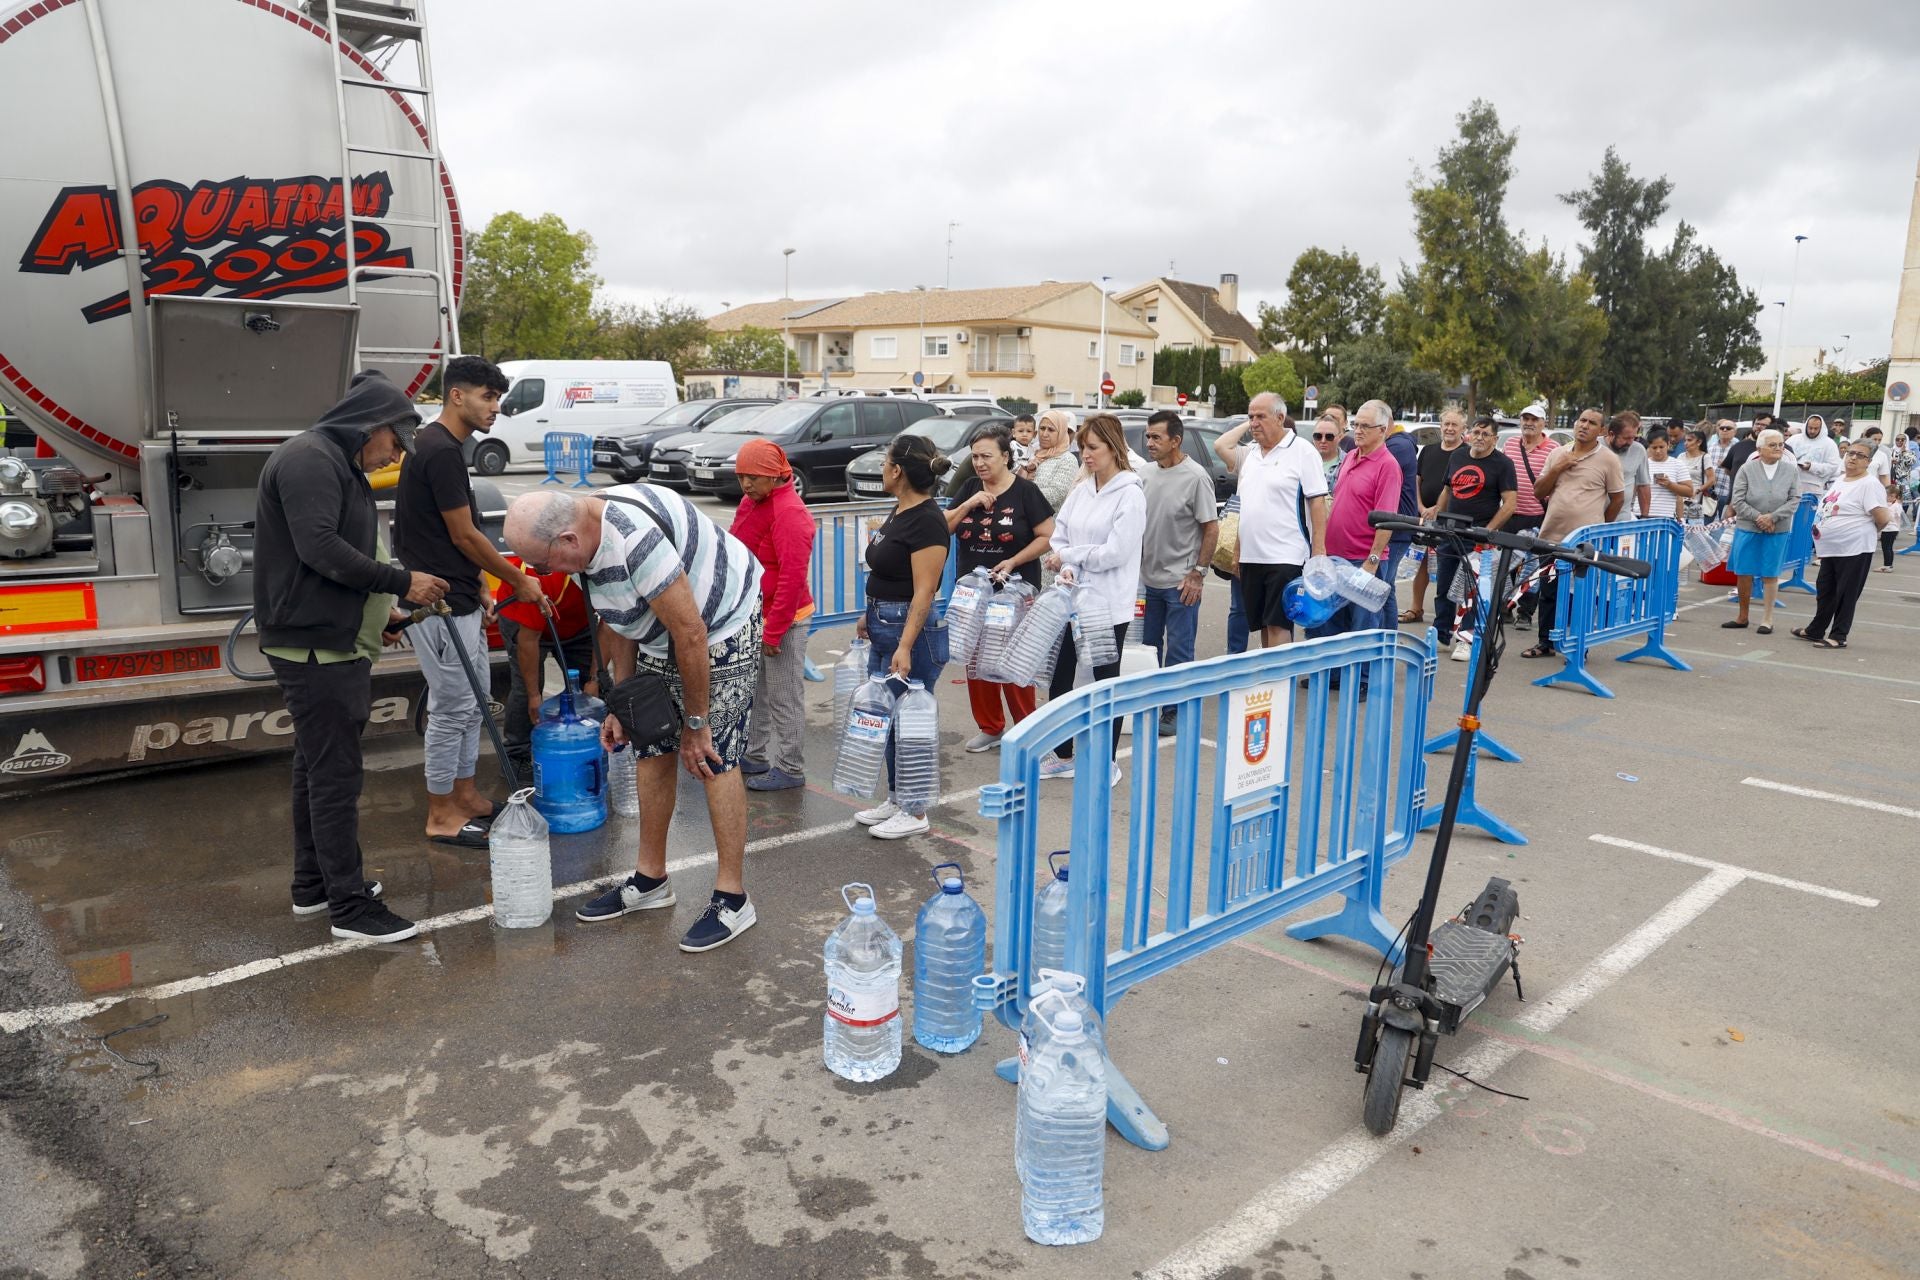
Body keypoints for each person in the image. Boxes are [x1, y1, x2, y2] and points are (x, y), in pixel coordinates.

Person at [503, 484, 764, 951]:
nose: (541, 574)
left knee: (713, 757)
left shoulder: (633, 542)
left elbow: (691, 633)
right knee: (650, 745)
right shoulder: (586, 539)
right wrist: (623, 706)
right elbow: (620, 620)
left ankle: (733, 898)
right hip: (668, 632)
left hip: (720, 623)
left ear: (567, 541)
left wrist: (697, 724)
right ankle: (651, 881)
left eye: (541, 564)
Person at [254, 370, 447, 943]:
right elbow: (320, 549)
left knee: (315, 768)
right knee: (336, 776)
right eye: (394, 441)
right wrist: (402, 582)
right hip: (315, 645)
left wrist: (380, 612)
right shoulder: (311, 458)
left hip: (329, 637)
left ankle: (314, 887)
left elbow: (344, 549)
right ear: (371, 426)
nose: (394, 453)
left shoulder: (334, 460)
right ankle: (350, 908)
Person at [393, 356, 547, 848]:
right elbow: (463, 535)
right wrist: (517, 582)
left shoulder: (447, 448)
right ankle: (441, 813)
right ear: (457, 395)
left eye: (497, 398)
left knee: (476, 701)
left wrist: (480, 583)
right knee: (453, 706)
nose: (495, 408)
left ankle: (465, 796)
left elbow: (458, 533)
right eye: (487, 396)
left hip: (458, 596)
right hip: (434, 603)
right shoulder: (437, 450)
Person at [851, 435, 953, 838]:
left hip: (909, 631)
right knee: (887, 718)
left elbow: (924, 590)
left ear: (897, 472)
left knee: (911, 722)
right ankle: (897, 797)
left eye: (885, 464)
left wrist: (906, 646)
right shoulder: (900, 510)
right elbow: (887, 571)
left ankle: (915, 811)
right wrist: (868, 612)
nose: (881, 470)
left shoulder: (927, 520)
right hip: (883, 623)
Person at [1040, 414, 1144, 781]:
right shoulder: (1082, 488)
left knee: (1104, 681)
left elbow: (1115, 552)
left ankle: (1107, 761)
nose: (1086, 454)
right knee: (1061, 676)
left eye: (1093, 447)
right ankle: (1065, 755)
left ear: (1114, 448)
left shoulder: (1131, 493)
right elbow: (1060, 533)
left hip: (1107, 605)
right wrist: (1066, 563)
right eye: (1082, 447)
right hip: (1074, 598)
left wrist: (1071, 556)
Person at [947, 425, 1054, 752]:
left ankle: (1027, 728)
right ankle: (990, 727)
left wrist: (1012, 562)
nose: (979, 463)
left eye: (987, 456)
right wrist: (968, 505)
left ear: (1006, 457)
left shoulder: (1025, 492)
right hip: (973, 590)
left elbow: (1047, 536)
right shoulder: (968, 487)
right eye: (975, 456)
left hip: (1015, 591)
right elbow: (943, 526)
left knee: (1014, 659)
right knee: (975, 656)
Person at [731, 440, 815, 791]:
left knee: (784, 695)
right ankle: (755, 754)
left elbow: (793, 579)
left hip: (785, 618)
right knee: (756, 691)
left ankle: (791, 767)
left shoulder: (790, 513)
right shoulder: (753, 501)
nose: (746, 485)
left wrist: (774, 632)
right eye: (741, 477)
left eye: (754, 477)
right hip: (756, 613)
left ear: (774, 475)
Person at [1215, 392, 1328, 648]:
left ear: (1280, 418)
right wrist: (1237, 551)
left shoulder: (1303, 451)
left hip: (1286, 555)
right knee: (1264, 626)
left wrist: (1319, 552)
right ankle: (1269, 682)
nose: (1254, 422)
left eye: (1260, 417)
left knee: (1279, 624)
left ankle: (1280, 684)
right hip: (1252, 556)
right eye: (1250, 416)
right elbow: (1246, 507)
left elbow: (1317, 503)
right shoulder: (1252, 455)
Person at [1307, 400, 1405, 672]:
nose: (1358, 431)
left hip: (1363, 560)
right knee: (1332, 620)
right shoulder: (1351, 455)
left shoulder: (1388, 466)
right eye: (1356, 424)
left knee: (1363, 625)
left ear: (1383, 429)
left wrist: (1372, 562)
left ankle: (1361, 680)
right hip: (1336, 555)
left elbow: (1386, 519)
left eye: (1365, 426)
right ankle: (1335, 675)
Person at [1139, 410, 1220, 734]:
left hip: (1180, 581)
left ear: (1176, 440)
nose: (1150, 443)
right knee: (1148, 648)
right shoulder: (1144, 474)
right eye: (1148, 436)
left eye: (1156, 437)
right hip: (1147, 580)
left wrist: (1198, 573)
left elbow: (1211, 528)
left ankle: (1173, 710)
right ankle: (1150, 703)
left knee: (1180, 649)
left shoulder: (1196, 477)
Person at [1524, 408, 1624, 660]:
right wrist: (1557, 468)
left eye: (1592, 423)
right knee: (1549, 591)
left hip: (1584, 542)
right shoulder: (1557, 454)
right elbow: (1538, 492)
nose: (1584, 426)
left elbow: (1617, 498)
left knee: (1581, 593)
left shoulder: (1608, 459)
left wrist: (1599, 525)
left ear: (1601, 431)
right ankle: (1545, 642)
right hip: (1551, 536)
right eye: (1582, 421)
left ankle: (1579, 645)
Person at [494, 556, 597, 780]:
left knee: (594, 689)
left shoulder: (604, 571)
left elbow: (607, 628)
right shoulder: (538, 576)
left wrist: (595, 679)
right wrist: (534, 695)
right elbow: (528, 641)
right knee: (526, 690)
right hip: (524, 622)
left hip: (577, 625)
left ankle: (588, 744)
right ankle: (516, 755)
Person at [1429, 415, 1517, 657]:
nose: (1479, 437)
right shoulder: (1458, 456)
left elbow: (1510, 503)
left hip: (1478, 538)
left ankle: (1465, 639)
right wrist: (1438, 516)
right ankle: (1441, 633)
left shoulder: (1503, 464)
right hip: (1450, 533)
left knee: (1470, 591)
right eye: (1476, 432)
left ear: (1494, 439)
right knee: (1444, 587)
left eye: (1485, 434)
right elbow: (1447, 489)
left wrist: (1488, 531)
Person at [1793, 441, 1892, 647]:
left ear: (1869, 461)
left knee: (1846, 593)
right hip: (1831, 548)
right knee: (1825, 589)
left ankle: (1839, 636)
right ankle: (1816, 629)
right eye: (1850, 453)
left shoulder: (1869, 484)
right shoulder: (1841, 479)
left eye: (1860, 455)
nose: (1853, 458)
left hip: (1854, 547)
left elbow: (1882, 518)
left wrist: (1862, 531)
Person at [1723, 429, 1800, 635]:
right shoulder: (1747, 469)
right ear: (1760, 448)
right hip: (1748, 526)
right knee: (1744, 571)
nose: (1778, 449)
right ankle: (1743, 616)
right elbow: (1737, 499)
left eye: (1781, 445)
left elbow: (1794, 499)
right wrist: (1759, 517)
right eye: (1772, 445)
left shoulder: (1791, 470)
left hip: (1778, 528)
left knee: (1770, 572)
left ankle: (1767, 619)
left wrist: (1772, 517)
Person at [1402, 410, 1465, 625]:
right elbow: (1416, 481)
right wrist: (1420, 507)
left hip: (1450, 517)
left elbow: (1456, 488)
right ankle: (1416, 608)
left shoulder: (1465, 453)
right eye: (1446, 423)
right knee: (1421, 563)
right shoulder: (1428, 450)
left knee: (1450, 567)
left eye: (1454, 425)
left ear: (1462, 429)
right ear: (1440, 426)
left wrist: (1438, 508)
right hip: (1423, 515)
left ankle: (1450, 616)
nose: (1449, 428)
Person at [1501, 403, 1559, 625]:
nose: (1529, 423)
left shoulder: (1553, 448)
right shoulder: (1510, 444)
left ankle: (1525, 612)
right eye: (1525, 418)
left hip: (1537, 515)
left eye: (1534, 419)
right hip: (1510, 514)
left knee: (1533, 568)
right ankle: (1505, 607)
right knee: (1507, 566)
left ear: (1543, 423)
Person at [1607, 411, 1652, 521]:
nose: (1630, 442)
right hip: (1593, 519)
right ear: (1611, 434)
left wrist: (1644, 517)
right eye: (1626, 438)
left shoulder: (1639, 450)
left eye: (1633, 438)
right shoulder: (1596, 446)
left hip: (1622, 519)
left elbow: (1643, 485)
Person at [1644, 429, 1695, 521]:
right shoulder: (1642, 464)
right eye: (1654, 448)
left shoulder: (1678, 464)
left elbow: (1689, 492)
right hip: (1641, 515)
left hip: (1665, 517)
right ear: (1649, 447)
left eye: (1661, 447)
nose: (1658, 451)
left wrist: (1670, 485)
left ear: (1668, 444)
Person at [1788, 414, 1841, 496]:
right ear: (1806, 426)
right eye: (1810, 428)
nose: (1812, 431)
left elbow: (1833, 466)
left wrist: (1812, 467)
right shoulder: (1793, 439)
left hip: (1814, 489)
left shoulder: (1829, 444)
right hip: (1791, 485)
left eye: (1816, 428)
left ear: (1821, 428)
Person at [1678, 429, 1715, 523]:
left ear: (1699, 442)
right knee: (1678, 527)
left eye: (1689, 440)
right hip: (1679, 498)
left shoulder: (1705, 457)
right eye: (1685, 440)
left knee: (1694, 530)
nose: (1686, 443)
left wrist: (1698, 490)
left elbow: (1711, 479)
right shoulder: (1681, 456)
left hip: (1696, 501)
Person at [1311, 412, 1344, 492]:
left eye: (1329, 437)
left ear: (1340, 437)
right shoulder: (1303, 460)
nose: (1323, 441)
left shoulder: (1348, 463)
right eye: (1318, 436)